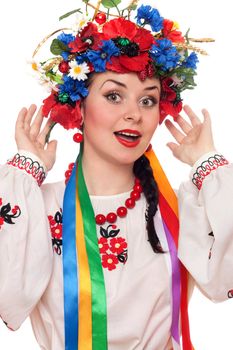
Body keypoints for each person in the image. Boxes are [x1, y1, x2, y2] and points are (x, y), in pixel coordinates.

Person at [1, 1, 233, 349]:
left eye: (147, 101)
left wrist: (209, 167)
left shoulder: (177, 208)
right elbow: (9, 300)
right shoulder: (41, 207)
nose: (134, 115)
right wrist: (23, 174)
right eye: (113, 95)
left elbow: (223, 283)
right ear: (78, 106)